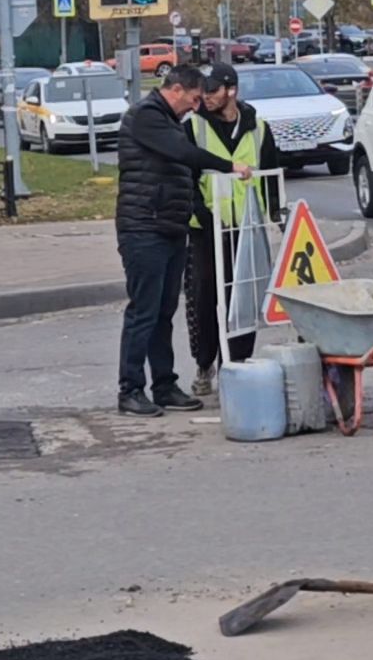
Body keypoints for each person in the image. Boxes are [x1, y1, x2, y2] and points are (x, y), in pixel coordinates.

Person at [113, 66, 254, 418]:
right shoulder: (145, 117)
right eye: (193, 99)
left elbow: (181, 169)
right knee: (143, 312)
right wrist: (229, 166)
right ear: (176, 90)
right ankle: (130, 389)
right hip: (144, 226)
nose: (195, 107)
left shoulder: (168, 120)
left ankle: (164, 385)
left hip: (169, 226)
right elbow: (184, 154)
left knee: (164, 312)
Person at [183, 62, 283, 396]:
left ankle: (238, 365)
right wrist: (198, 210)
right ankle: (204, 363)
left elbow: (270, 177)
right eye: (204, 90)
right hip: (206, 228)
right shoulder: (193, 127)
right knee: (205, 297)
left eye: (212, 90)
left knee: (244, 297)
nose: (206, 97)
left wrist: (279, 217)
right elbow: (185, 176)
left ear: (232, 91)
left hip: (246, 227)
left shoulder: (259, 129)